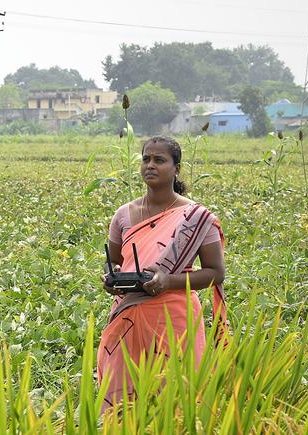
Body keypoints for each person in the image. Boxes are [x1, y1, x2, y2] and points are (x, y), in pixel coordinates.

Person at [96, 136, 228, 412]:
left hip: (174, 318)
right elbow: (116, 263)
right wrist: (112, 279)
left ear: (176, 168)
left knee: (175, 400)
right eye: (146, 159)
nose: (150, 165)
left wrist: (168, 281)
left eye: (160, 160)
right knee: (122, 405)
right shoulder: (123, 215)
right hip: (128, 315)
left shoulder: (196, 217)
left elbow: (216, 273)